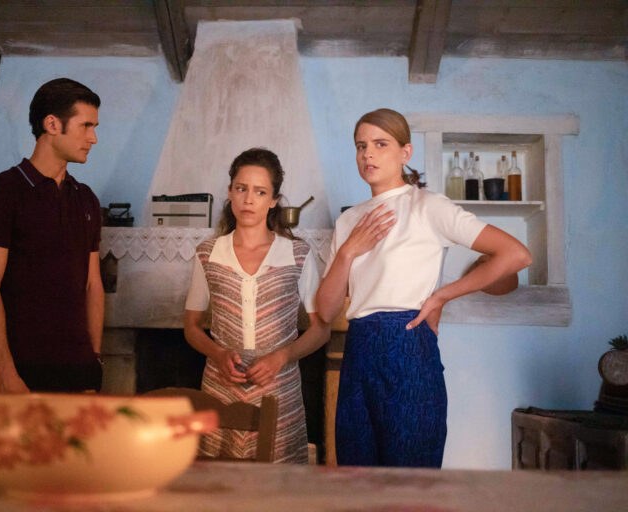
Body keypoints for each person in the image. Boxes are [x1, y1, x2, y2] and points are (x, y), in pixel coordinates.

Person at [315, 108, 531, 468]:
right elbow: (325, 311)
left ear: (406, 152)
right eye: (361, 146)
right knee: (356, 479)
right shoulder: (349, 220)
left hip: (409, 345)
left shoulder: (428, 206)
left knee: (410, 479)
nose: (368, 154)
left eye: (380, 144)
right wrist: (349, 250)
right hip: (358, 350)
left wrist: (443, 295)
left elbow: (516, 254)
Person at [184, 148, 331, 463]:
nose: (249, 199)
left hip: (278, 391)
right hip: (220, 388)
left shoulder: (297, 254)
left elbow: (321, 329)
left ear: (274, 200)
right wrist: (218, 354)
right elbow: (191, 326)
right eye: (241, 188)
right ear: (230, 193)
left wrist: (282, 356)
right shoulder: (208, 253)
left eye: (260, 192)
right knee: (218, 481)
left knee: (277, 483)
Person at [0, 78, 104, 393]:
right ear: (52, 124)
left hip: (78, 374)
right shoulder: (4, 191)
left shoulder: (86, 199)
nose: (93, 138)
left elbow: (93, 285)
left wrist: (94, 362)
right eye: (86, 126)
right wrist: (5, 373)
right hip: (19, 373)